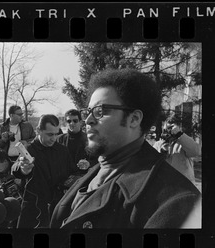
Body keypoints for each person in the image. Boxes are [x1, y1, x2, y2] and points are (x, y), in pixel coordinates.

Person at [49, 68, 201, 229]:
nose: (88, 120)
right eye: (88, 111)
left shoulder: (177, 204)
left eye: (100, 111)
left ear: (134, 119)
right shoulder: (94, 173)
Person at [12, 114, 77, 228]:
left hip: (58, 206)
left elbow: (72, 172)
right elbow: (15, 169)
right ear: (38, 131)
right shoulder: (29, 149)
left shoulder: (62, 150)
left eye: (56, 134)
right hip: (35, 209)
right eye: (50, 134)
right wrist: (23, 169)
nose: (54, 138)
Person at [153, 116, 201, 184]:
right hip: (165, 186)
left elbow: (196, 151)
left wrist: (179, 134)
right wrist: (162, 149)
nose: (168, 130)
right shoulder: (157, 144)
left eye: (171, 128)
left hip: (184, 187)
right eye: (167, 128)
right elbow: (152, 163)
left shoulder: (184, 142)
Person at [57, 109, 97, 175]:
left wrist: (89, 163)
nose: (72, 123)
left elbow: (97, 160)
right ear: (66, 123)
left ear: (80, 122)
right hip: (64, 177)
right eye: (69, 121)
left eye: (75, 121)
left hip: (83, 177)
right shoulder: (59, 139)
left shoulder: (89, 139)